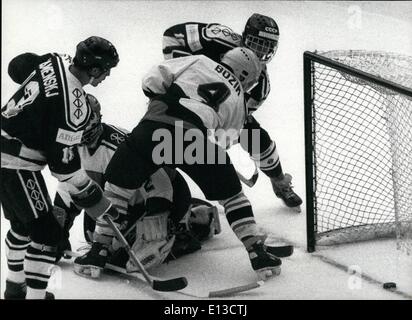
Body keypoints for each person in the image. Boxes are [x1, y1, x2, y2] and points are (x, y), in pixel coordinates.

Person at [102, 47, 282, 280]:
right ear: (246, 76)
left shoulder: (200, 59)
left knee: (116, 187)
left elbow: (152, 80)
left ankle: (99, 248)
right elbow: (224, 139)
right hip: (192, 139)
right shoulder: (240, 99)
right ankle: (257, 252)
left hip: (152, 129)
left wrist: (161, 101)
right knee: (233, 197)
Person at [50, 95, 221, 278]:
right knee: (93, 236)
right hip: (123, 200)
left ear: (94, 119)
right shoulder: (69, 147)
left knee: (126, 256)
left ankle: (196, 220)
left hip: (164, 195)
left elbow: (161, 186)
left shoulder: (117, 146)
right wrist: (55, 233)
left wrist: (159, 223)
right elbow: (68, 189)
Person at [1, 36, 119, 299]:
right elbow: (63, 169)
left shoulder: (53, 60)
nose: (106, 76)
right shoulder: (74, 107)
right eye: (107, 70)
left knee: (22, 226)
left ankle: (13, 288)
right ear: (96, 69)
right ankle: (34, 297)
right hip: (15, 164)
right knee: (47, 233)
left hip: (5, 151)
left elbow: (16, 66)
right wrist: (95, 198)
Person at [162, 14, 302, 211]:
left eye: (267, 47)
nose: (261, 51)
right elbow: (172, 36)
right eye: (257, 43)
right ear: (244, 37)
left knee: (255, 135)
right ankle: (158, 186)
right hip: (182, 97)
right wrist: (184, 69)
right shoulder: (219, 38)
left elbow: (236, 121)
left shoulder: (260, 86)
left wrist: (219, 137)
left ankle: (279, 182)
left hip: (213, 111)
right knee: (166, 141)